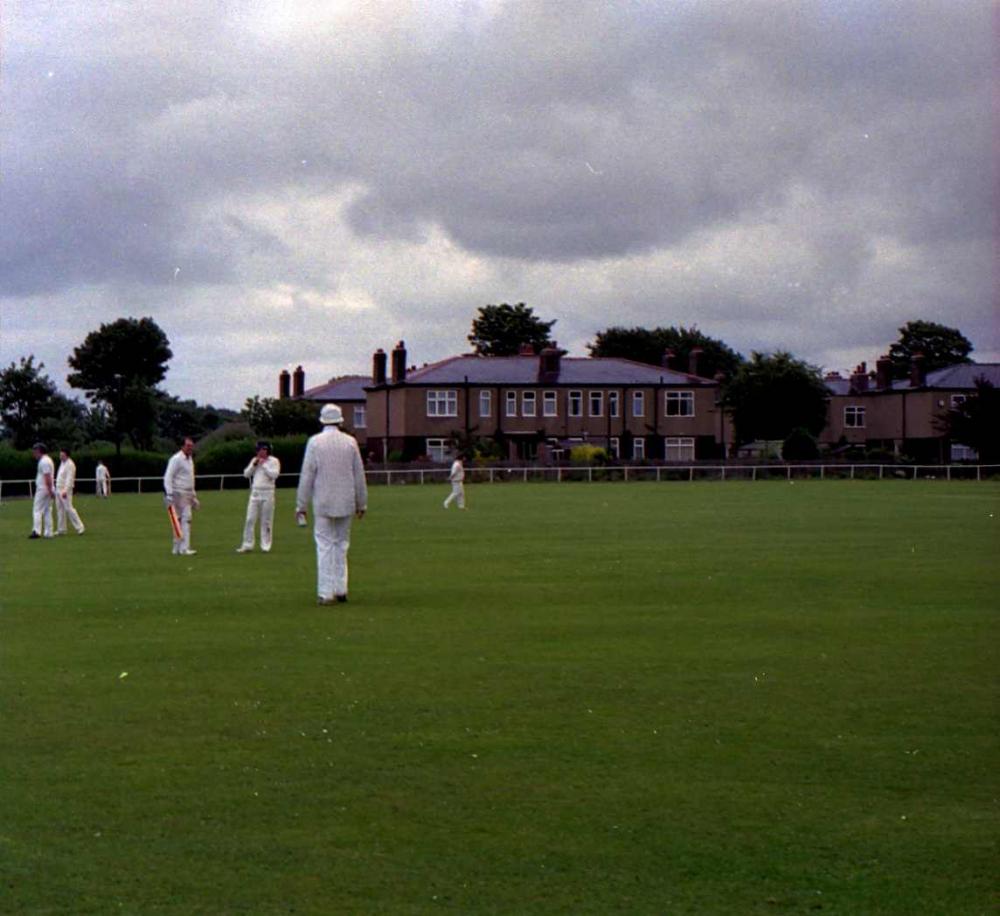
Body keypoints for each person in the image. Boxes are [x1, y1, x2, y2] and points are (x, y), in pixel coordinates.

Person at [295, 403, 367, 605]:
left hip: (323, 502)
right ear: (340, 420)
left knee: (325, 545)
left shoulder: (315, 442)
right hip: (346, 502)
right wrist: (362, 503)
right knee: (342, 545)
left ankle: (326, 592)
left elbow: (307, 475)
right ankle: (341, 588)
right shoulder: (350, 442)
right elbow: (359, 474)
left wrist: (301, 505)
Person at [236, 440, 281, 553]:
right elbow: (246, 474)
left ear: (267, 450)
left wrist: (264, 465)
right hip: (255, 493)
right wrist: (254, 465)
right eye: (259, 450)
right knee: (250, 519)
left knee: (266, 521)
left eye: (262, 450)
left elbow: (274, 475)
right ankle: (247, 545)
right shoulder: (254, 460)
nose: (260, 452)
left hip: (268, 493)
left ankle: (265, 546)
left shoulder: (274, 461)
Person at [163, 437, 200, 556]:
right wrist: (169, 494)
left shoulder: (190, 460)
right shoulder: (176, 459)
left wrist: (193, 497)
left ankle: (179, 548)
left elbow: (190, 479)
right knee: (181, 520)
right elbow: (168, 477)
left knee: (184, 520)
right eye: (188, 446)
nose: (190, 448)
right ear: (182, 446)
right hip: (177, 493)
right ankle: (182, 548)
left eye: (191, 446)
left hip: (187, 494)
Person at [55, 448, 86, 535]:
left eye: (62, 455)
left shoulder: (70, 464)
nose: (60, 456)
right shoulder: (62, 463)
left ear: (66, 455)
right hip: (58, 488)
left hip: (65, 490)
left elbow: (69, 479)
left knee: (69, 508)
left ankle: (80, 527)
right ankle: (61, 529)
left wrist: (65, 490)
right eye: (60, 455)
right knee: (60, 509)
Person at [29, 443, 55, 539]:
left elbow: (47, 476)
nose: (34, 454)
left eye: (35, 452)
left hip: (43, 488)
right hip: (47, 488)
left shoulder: (44, 462)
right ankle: (49, 532)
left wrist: (49, 489)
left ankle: (36, 531)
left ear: (39, 451)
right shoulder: (48, 460)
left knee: (37, 510)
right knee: (47, 510)